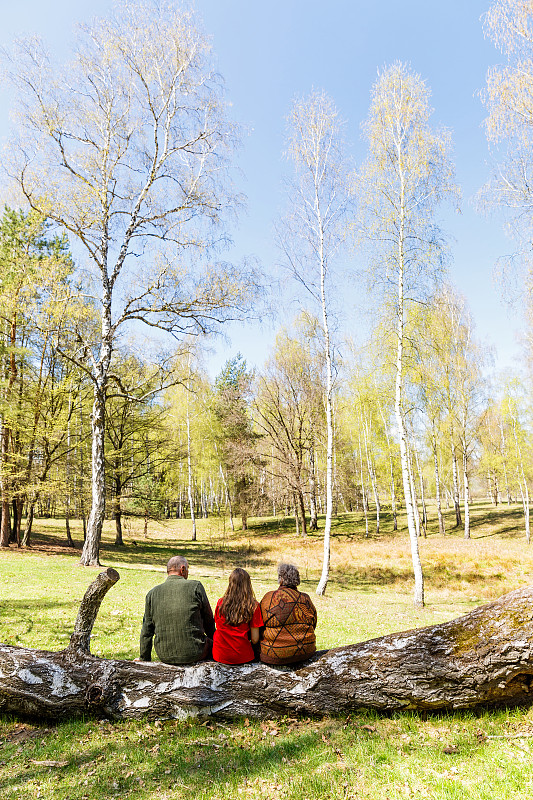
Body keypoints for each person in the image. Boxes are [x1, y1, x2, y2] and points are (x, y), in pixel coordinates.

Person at [139, 555, 215, 665]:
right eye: (188, 569)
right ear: (183, 569)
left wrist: (144, 660)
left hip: (165, 654)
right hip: (195, 652)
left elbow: (146, 631)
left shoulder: (152, 593)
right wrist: (214, 642)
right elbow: (208, 620)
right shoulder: (195, 586)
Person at [259, 562, 317, 666]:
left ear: (281, 579)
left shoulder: (270, 598)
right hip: (306, 651)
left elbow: (258, 625)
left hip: (275, 655)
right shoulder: (306, 598)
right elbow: (313, 624)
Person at [212, 568, 263, 665]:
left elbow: (217, 625)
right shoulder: (254, 605)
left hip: (220, 654)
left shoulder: (221, 603)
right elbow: (255, 639)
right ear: (248, 584)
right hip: (243, 656)